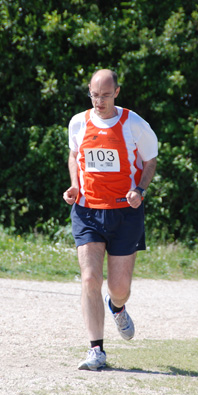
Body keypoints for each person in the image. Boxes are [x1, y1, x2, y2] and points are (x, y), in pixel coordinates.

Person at [63, 69, 158, 370]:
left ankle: (117, 306)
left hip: (125, 213)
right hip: (87, 209)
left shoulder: (134, 124)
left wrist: (140, 189)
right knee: (90, 278)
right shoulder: (78, 122)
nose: (99, 101)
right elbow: (74, 155)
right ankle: (96, 350)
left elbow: (150, 159)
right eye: (94, 94)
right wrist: (74, 185)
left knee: (119, 287)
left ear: (117, 92)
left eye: (105, 95)